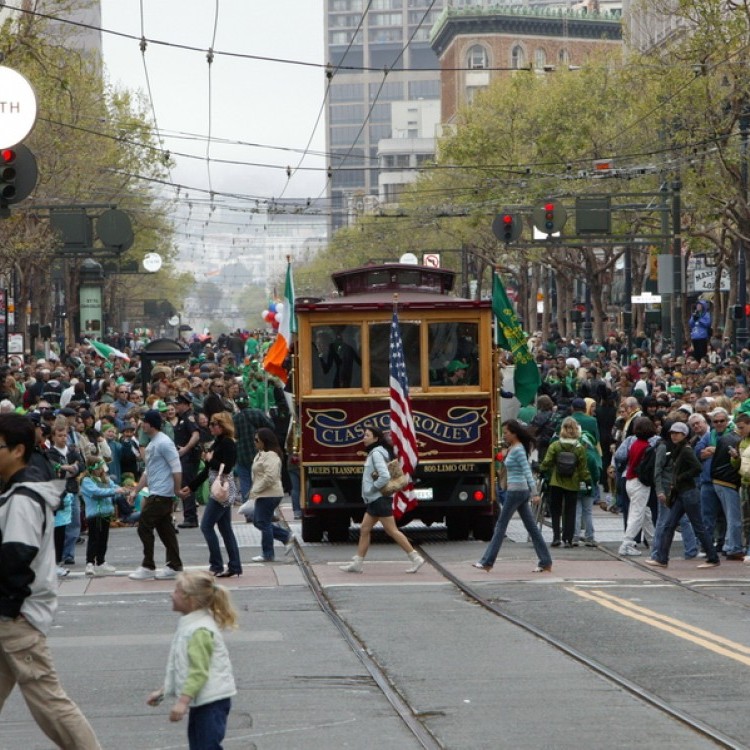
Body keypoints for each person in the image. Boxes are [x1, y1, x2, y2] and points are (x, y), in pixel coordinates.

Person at [0, 413, 102, 750]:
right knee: (50, 703)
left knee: (51, 705)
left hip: (17, 616)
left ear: (17, 451)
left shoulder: (22, 497)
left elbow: (16, 558)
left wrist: (12, 609)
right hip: (13, 614)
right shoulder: (18, 492)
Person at [147, 571, 237, 750]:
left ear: (191, 600)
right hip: (204, 700)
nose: (171, 595)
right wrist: (165, 690)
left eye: (177, 591)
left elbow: (199, 671)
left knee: (206, 746)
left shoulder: (199, 630)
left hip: (212, 701)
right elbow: (182, 666)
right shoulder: (190, 625)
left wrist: (182, 702)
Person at [340, 425, 424, 574]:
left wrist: (372, 488)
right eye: (364, 435)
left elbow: (384, 476)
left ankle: (415, 557)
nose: (363, 438)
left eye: (367, 435)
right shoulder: (379, 452)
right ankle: (358, 563)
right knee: (365, 529)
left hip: (379, 499)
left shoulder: (376, 454)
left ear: (375, 438)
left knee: (392, 530)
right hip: (376, 499)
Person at [472, 420, 552, 573]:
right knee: (531, 527)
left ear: (514, 433)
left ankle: (487, 561)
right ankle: (545, 561)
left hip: (516, 491)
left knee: (501, 525)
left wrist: (535, 493)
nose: (505, 436)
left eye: (506, 433)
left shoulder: (518, 450)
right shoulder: (514, 448)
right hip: (519, 491)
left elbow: (527, 471)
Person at [645, 421, 720, 569]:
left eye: (677, 433)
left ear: (684, 435)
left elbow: (697, 468)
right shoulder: (678, 449)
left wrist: (680, 477)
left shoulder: (686, 450)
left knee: (697, 526)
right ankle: (662, 558)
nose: (673, 436)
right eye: (672, 433)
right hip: (681, 493)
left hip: (689, 493)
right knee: (669, 525)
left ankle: (712, 558)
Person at [180, 411, 242, 578]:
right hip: (219, 488)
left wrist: (209, 459)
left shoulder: (228, 443)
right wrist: (191, 487)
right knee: (225, 529)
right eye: (211, 424)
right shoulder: (218, 443)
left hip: (221, 490)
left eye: (214, 424)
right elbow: (208, 471)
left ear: (222, 426)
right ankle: (234, 565)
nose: (211, 427)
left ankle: (216, 564)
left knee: (207, 526)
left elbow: (227, 468)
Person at [128, 410, 185, 580]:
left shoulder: (164, 443)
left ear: (151, 424)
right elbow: (148, 471)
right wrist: (136, 490)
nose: (141, 424)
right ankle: (174, 565)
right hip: (157, 492)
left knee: (144, 526)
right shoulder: (153, 443)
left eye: (144, 421)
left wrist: (176, 490)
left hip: (162, 494)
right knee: (165, 530)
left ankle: (148, 565)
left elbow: (176, 467)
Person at [243, 427, 294, 562]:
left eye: (256, 440)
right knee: (259, 521)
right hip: (264, 493)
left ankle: (268, 553)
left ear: (264, 441)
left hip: (269, 494)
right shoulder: (261, 454)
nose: (254, 442)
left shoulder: (271, 455)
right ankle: (285, 536)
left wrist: (255, 490)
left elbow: (270, 476)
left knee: (262, 522)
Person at [540, 417, 591, 548]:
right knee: (570, 511)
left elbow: (547, 463)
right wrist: (587, 482)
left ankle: (556, 537)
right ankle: (567, 538)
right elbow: (583, 468)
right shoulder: (579, 448)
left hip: (556, 482)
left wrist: (541, 469)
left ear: (562, 429)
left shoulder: (555, 445)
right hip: (572, 483)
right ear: (575, 430)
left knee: (555, 510)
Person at [80, 457, 128, 576]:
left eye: (101, 467)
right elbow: (96, 492)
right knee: (94, 539)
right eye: (98, 468)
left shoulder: (105, 479)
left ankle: (101, 562)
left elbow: (114, 486)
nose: (101, 470)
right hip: (95, 514)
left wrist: (123, 489)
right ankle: (89, 563)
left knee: (103, 539)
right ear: (92, 468)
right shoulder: (86, 480)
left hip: (105, 513)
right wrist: (115, 491)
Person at [618, 416, 658, 556]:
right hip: (640, 482)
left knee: (644, 511)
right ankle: (627, 543)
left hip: (630, 480)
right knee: (637, 514)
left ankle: (653, 541)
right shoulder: (647, 447)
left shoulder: (635, 443)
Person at [173, 393, 202, 529]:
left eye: (178, 404)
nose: (176, 406)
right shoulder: (181, 418)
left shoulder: (189, 418)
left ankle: (190, 517)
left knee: (187, 485)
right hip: (185, 457)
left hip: (189, 457)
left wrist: (185, 449)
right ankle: (189, 516)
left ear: (185, 404)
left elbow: (195, 435)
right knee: (185, 483)